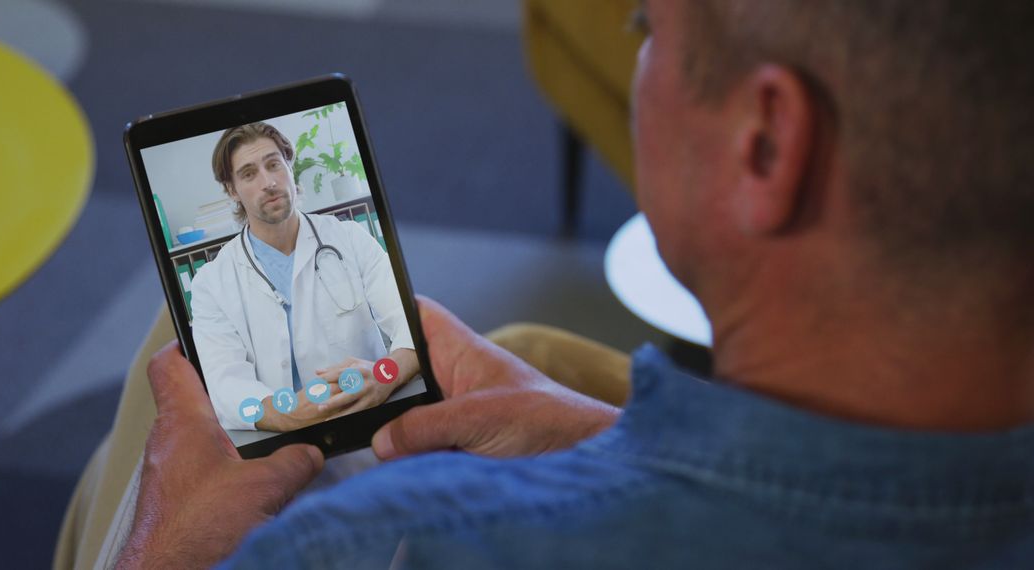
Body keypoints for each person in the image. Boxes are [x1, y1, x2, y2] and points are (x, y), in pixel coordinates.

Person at [58, 0, 1034, 567]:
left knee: (140, 441)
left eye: (650, 25)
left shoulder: (403, 540)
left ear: (767, 143)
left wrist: (165, 548)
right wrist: (606, 442)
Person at [193, 122, 421, 432]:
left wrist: (385, 376)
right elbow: (225, 386)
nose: (268, 182)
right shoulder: (210, 283)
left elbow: (413, 323)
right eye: (249, 174)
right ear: (232, 190)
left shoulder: (350, 238)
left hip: (373, 420)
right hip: (281, 445)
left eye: (274, 164)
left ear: (290, 166)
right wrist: (289, 417)